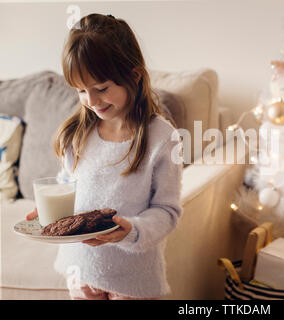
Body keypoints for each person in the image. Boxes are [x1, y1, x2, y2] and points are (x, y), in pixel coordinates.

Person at [26, 13, 183, 300]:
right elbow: (67, 183)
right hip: (79, 269)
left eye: (101, 89)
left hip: (133, 278)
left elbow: (167, 212)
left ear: (133, 76)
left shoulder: (162, 138)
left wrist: (131, 231)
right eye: (81, 91)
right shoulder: (77, 132)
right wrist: (50, 207)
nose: (92, 101)